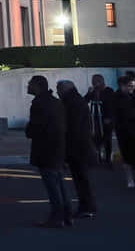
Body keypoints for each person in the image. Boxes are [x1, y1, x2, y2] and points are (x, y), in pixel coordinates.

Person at [25, 75, 72, 228]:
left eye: (30, 84)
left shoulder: (39, 104)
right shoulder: (56, 102)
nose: (27, 86)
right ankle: (66, 214)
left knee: (52, 185)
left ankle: (57, 216)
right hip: (57, 147)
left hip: (45, 148)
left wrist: (29, 130)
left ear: (37, 86)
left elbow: (36, 127)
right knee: (59, 182)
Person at [56, 80, 98, 218]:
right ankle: (87, 206)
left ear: (64, 89)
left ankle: (87, 206)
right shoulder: (77, 100)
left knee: (81, 179)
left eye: (58, 89)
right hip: (81, 146)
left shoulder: (71, 103)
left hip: (77, 147)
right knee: (81, 179)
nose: (57, 92)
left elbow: (71, 128)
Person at [84, 74, 115, 165]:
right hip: (95, 119)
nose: (94, 83)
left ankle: (108, 159)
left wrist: (109, 118)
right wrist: (89, 92)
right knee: (96, 138)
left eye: (96, 81)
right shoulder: (93, 91)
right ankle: (98, 158)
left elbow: (111, 106)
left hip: (106, 119)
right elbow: (84, 100)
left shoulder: (109, 91)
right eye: (93, 81)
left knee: (107, 139)